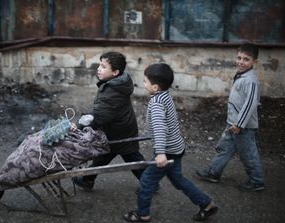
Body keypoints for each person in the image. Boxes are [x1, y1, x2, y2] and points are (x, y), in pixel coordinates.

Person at [123, 63, 218, 222]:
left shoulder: (156, 103)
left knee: (146, 181)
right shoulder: (165, 95)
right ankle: (207, 204)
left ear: (154, 87)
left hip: (166, 151)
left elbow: (160, 129)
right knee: (178, 179)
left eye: (145, 81)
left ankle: (142, 214)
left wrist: (160, 153)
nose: (143, 83)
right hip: (176, 147)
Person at [196, 43, 265, 192]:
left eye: (246, 59)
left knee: (248, 155)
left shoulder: (251, 81)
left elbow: (250, 104)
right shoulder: (242, 75)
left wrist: (240, 124)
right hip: (233, 124)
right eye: (239, 58)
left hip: (243, 128)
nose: (241, 61)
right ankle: (213, 173)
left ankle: (257, 181)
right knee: (224, 149)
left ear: (255, 62)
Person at [73, 51, 146, 190]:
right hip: (120, 126)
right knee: (105, 155)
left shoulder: (112, 91)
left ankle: (150, 183)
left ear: (115, 72)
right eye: (99, 65)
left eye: (103, 66)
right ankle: (88, 180)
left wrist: (79, 125)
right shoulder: (118, 82)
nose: (99, 68)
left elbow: (100, 116)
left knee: (130, 156)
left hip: (119, 130)